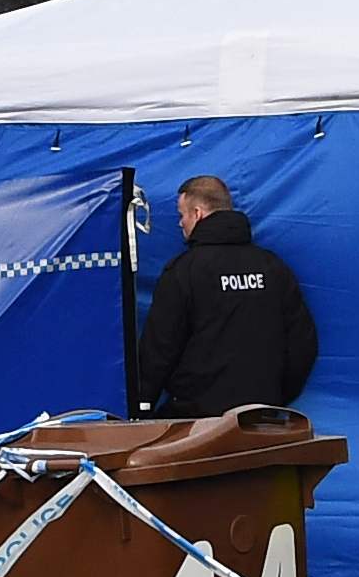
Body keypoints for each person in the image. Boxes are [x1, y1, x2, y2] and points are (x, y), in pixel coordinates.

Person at [130, 174, 317, 419]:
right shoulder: (273, 267)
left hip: (196, 420)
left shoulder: (183, 271)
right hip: (261, 418)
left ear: (197, 213)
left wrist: (141, 407)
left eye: (181, 215)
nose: (180, 223)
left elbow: (159, 349)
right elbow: (303, 343)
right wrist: (275, 396)